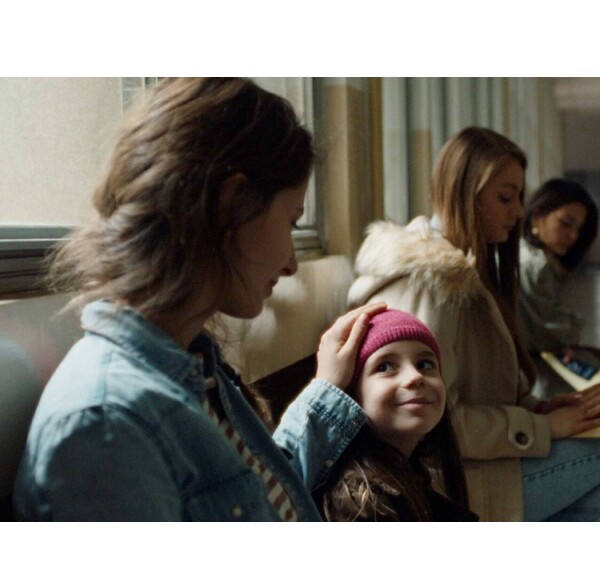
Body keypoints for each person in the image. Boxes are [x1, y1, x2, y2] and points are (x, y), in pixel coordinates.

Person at [13, 77, 385, 521]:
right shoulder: (107, 428)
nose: (291, 264)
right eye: (290, 221)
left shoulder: (191, 365)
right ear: (231, 203)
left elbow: (257, 499)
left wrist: (325, 390)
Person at [348, 126, 600, 521]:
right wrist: (543, 428)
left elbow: (475, 393)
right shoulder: (429, 282)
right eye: (505, 198)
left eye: (519, 197)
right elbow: (430, 421)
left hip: (474, 467)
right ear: (465, 192)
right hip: (448, 482)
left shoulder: (461, 273)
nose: (519, 212)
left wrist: (540, 410)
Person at [320, 309, 477, 521]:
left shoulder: (411, 479)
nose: (415, 376)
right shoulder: (359, 505)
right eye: (385, 367)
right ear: (352, 395)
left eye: (425, 364)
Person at [519, 178, 599, 396]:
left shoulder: (538, 259)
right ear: (537, 216)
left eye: (578, 229)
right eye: (566, 223)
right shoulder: (535, 264)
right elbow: (549, 332)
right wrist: (568, 334)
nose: (573, 236)